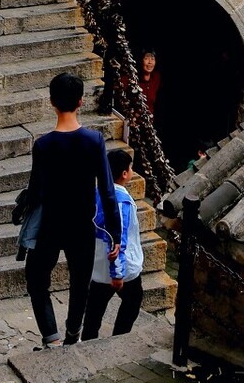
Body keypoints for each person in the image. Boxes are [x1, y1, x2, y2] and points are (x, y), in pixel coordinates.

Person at [20, 72, 122, 349]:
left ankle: (50, 337)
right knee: (80, 283)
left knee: (37, 279)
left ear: (52, 102)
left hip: (51, 225)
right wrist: (115, 234)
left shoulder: (43, 145)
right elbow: (108, 192)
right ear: (80, 102)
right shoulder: (94, 141)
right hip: (82, 225)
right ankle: (72, 336)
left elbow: (36, 191)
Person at [81, 148, 144, 340]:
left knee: (94, 310)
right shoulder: (121, 201)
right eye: (131, 167)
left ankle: (88, 340)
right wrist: (117, 273)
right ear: (125, 173)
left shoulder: (95, 194)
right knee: (132, 302)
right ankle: (119, 339)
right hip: (122, 270)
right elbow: (118, 239)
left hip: (98, 267)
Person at [138, 48, 162, 116]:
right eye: (146, 58)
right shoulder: (133, 79)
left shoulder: (156, 77)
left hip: (150, 121)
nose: (150, 62)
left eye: (152, 59)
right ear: (141, 60)